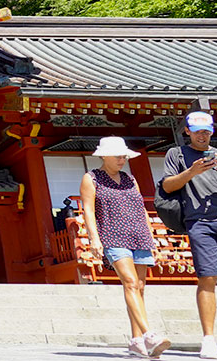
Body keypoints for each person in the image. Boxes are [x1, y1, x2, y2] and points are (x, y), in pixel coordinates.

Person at [162, 111, 217, 359]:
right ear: (187, 131)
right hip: (198, 221)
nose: (202, 135)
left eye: (206, 130)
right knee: (207, 278)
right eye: (197, 130)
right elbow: (167, 186)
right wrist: (192, 172)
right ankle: (209, 339)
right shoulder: (176, 155)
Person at [80, 136, 170, 358]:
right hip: (113, 235)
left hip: (138, 234)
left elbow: (140, 208)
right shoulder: (91, 178)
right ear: (105, 156)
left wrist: (152, 236)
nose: (122, 160)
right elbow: (88, 210)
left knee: (139, 287)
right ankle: (149, 335)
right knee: (129, 282)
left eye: (124, 156)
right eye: (118, 156)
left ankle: (136, 341)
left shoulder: (130, 179)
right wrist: (94, 238)